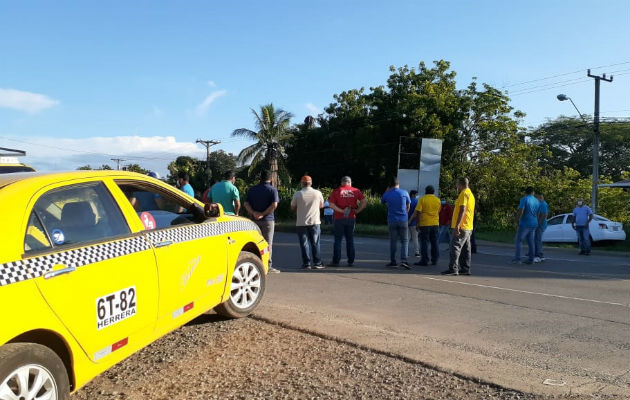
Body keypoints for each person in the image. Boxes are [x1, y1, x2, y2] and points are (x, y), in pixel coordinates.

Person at [244, 170, 280, 273]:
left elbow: (246, 204)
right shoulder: (273, 190)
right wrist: (263, 214)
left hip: (254, 221)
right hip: (268, 220)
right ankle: (267, 265)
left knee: (254, 243)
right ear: (271, 178)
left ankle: (255, 264)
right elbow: (274, 205)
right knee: (268, 243)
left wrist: (254, 213)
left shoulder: (252, 189)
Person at [327, 176, 367, 267]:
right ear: (350, 182)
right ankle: (351, 261)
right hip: (351, 217)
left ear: (342, 182)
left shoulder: (336, 191)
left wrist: (341, 211)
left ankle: (336, 261)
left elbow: (331, 205)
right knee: (350, 240)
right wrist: (357, 211)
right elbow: (364, 202)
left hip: (339, 218)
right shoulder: (356, 191)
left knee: (338, 240)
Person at [442, 177, 475, 276]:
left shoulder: (464, 194)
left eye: (457, 184)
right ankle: (465, 268)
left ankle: (453, 268)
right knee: (466, 249)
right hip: (468, 226)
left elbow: (462, 209)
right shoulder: (470, 194)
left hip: (462, 226)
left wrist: (457, 225)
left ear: (460, 184)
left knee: (455, 246)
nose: (456, 186)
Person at [291, 176, 325, 269]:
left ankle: (306, 264)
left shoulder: (298, 194)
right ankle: (317, 263)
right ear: (311, 183)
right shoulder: (317, 193)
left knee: (304, 244)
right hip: (314, 222)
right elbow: (321, 205)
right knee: (315, 243)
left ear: (302, 183)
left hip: (301, 223)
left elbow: (292, 207)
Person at [381, 177, 411, 269]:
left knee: (393, 241)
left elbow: (382, 201)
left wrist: (387, 190)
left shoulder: (387, 194)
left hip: (392, 220)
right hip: (403, 220)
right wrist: (405, 214)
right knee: (404, 241)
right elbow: (408, 206)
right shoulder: (405, 192)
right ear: (398, 184)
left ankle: (393, 261)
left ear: (390, 185)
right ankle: (404, 260)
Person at [409, 185, 440, 266]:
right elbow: (438, 211)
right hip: (435, 224)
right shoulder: (438, 200)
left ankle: (424, 260)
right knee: (434, 242)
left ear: (426, 191)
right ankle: (435, 259)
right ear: (433, 192)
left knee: (424, 242)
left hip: (425, 223)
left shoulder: (422, 199)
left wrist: (417, 223)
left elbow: (418, 212)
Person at [512, 187, 540, 265]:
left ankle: (517, 259)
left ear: (526, 192)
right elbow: (538, 212)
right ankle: (531, 259)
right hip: (534, 223)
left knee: (519, 240)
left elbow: (521, 210)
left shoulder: (524, 199)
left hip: (525, 223)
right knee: (531, 242)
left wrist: (516, 220)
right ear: (533, 192)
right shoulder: (537, 200)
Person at [534, 193, 549, 262]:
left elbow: (544, 215)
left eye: (536, 198)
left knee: (537, 240)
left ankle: (538, 255)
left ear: (540, 197)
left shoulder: (543, 204)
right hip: (540, 224)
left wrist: (538, 224)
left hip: (540, 225)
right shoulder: (541, 204)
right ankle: (540, 255)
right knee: (538, 240)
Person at [407, 190, 420, 258]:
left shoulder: (407, 201)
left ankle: (406, 252)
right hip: (414, 222)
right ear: (413, 195)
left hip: (406, 222)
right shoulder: (417, 201)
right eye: (416, 194)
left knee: (407, 238)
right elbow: (417, 213)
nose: (416, 196)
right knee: (415, 238)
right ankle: (417, 252)